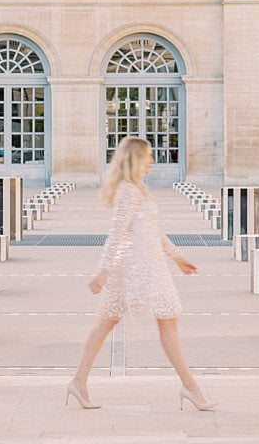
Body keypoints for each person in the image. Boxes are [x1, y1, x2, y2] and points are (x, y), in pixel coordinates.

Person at [67, 136, 214, 411]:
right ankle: (191, 387)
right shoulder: (128, 191)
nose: (152, 161)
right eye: (148, 156)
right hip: (137, 267)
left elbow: (152, 230)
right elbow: (118, 233)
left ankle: (78, 381)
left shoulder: (137, 189)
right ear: (135, 159)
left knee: (110, 323)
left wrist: (177, 257)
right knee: (150, 322)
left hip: (147, 264)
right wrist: (104, 271)